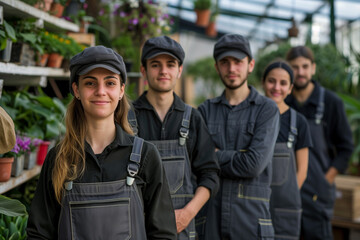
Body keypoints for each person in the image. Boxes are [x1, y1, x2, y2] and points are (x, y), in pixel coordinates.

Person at [27, 46, 177, 239]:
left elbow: (163, 234)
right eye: (90, 83)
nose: (100, 91)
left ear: (121, 90)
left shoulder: (146, 156)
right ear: (76, 90)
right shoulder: (59, 159)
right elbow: (39, 234)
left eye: (110, 83)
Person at [128, 36, 220, 239]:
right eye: (155, 65)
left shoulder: (193, 118)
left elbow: (210, 175)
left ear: (179, 70)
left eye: (170, 65)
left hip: (182, 228)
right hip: (136, 228)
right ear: (144, 71)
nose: (163, 71)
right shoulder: (126, 118)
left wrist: (187, 214)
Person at [197, 33, 280, 239]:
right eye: (224, 62)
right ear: (217, 67)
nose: (231, 68)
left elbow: (254, 164)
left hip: (251, 222)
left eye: (238, 62)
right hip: (211, 221)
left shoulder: (266, 110)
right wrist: (235, 156)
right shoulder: (205, 111)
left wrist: (215, 155)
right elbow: (196, 161)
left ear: (250, 65)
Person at [285, 46, 354, 240]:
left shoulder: (331, 103)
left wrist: (326, 180)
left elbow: (346, 147)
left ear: (313, 68)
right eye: (295, 67)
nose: (300, 72)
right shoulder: (282, 104)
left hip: (317, 192)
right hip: (286, 190)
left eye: (305, 66)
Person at [262, 60, 313, 239]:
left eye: (283, 83)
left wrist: (287, 195)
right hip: (254, 206)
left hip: (286, 210)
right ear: (263, 82)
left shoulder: (298, 122)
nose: (277, 87)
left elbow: (302, 171)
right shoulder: (251, 117)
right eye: (271, 81)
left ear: (290, 88)